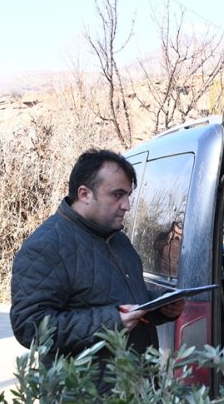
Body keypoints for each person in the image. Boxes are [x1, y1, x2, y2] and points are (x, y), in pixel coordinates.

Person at [10, 149, 184, 381]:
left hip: (134, 395)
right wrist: (113, 322)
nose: (127, 205)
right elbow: (30, 327)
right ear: (84, 194)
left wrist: (159, 306)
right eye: (117, 195)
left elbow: (118, 297)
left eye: (128, 195)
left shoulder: (117, 239)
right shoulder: (46, 246)